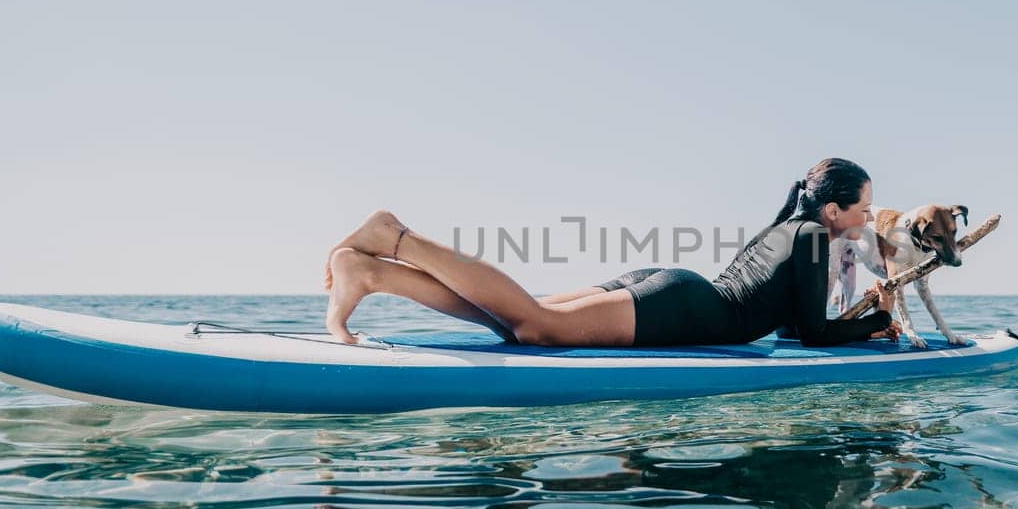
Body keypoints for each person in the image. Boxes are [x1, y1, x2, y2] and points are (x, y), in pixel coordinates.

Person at [323, 157, 902, 347]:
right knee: (536, 325)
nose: (868, 219)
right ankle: (394, 236)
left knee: (513, 320)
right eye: (863, 209)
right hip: (688, 309)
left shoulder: (788, 229)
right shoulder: (810, 240)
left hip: (678, 290)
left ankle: (374, 274)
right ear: (833, 211)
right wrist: (876, 319)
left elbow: (788, 324)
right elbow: (808, 334)